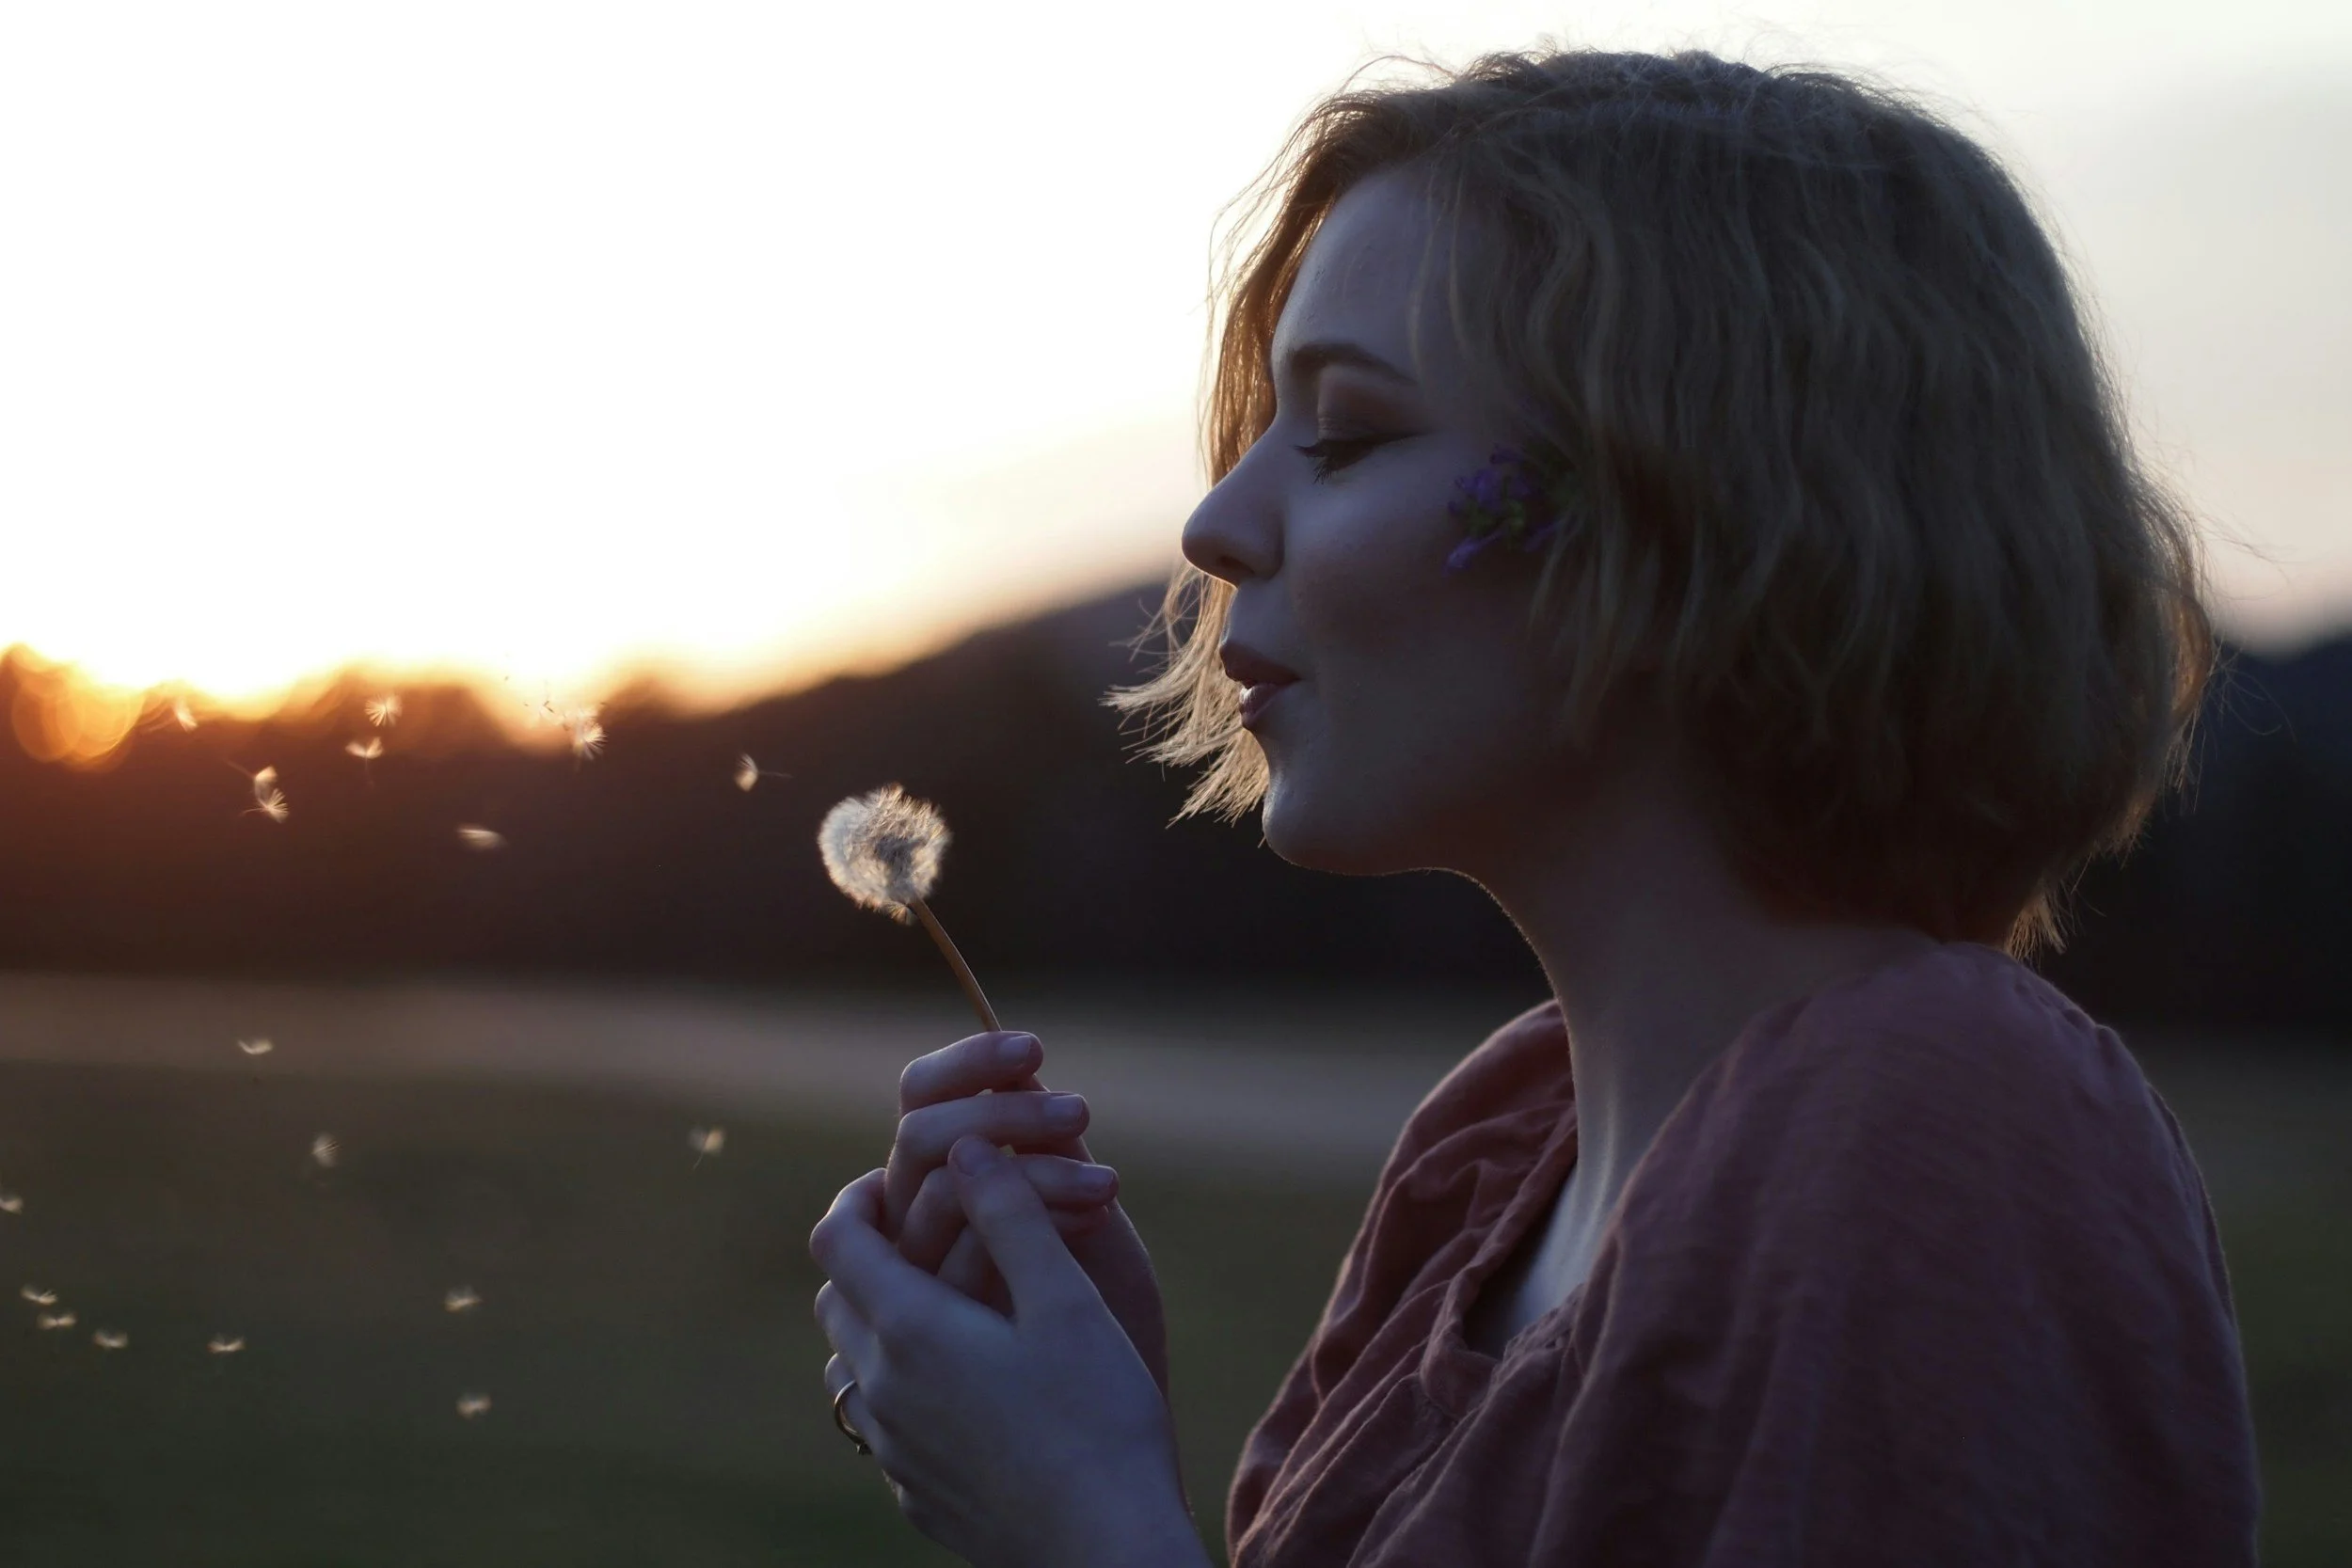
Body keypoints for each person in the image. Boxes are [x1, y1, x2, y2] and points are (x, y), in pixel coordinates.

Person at [807, 45, 2261, 1568]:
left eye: (1351, 431)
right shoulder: (1492, 1158)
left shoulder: (1944, 1122)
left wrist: (1082, 1530)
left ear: (1702, 503)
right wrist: (1088, 1420)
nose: (1218, 522)